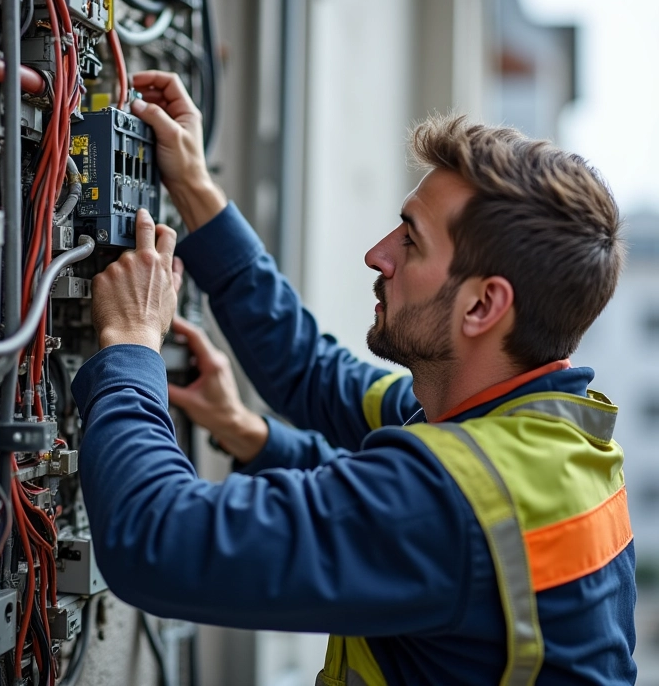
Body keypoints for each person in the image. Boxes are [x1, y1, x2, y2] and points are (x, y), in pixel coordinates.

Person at [71, 71, 637, 685]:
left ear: (482, 306)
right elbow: (313, 374)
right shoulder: (525, 432)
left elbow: (157, 541)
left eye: (411, 241)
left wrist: (132, 341)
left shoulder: (459, 500)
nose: (377, 254)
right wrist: (193, 185)